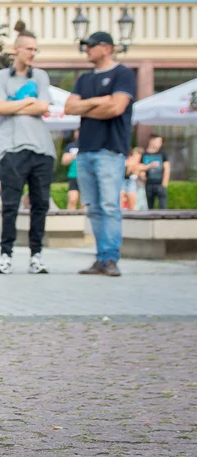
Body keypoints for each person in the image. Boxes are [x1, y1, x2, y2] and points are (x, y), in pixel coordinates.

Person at [64, 31, 136, 277]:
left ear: (107, 48)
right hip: (85, 151)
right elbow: (69, 107)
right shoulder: (84, 78)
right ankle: (100, 258)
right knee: (93, 207)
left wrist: (89, 106)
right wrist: (100, 101)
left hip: (110, 150)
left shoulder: (123, 74)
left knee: (109, 205)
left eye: (90, 46)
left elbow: (117, 107)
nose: (86, 50)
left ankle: (111, 258)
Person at [0, 30, 54, 275]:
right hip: (12, 149)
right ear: (16, 49)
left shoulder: (41, 76)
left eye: (36, 50)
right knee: (11, 204)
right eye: (29, 49)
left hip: (42, 150)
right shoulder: (1, 76)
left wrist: (14, 105)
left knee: (40, 204)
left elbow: (44, 106)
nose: (33, 53)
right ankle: (6, 255)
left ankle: (37, 256)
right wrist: (29, 103)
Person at [142, 134, 170, 210]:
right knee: (149, 208)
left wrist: (164, 184)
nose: (160, 143)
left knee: (162, 207)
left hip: (160, 184)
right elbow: (139, 168)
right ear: (152, 141)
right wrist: (149, 166)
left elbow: (167, 169)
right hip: (148, 184)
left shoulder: (162, 154)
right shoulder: (144, 154)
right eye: (158, 141)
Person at [61, 131, 81, 210]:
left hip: (85, 176)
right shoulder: (71, 146)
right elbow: (64, 161)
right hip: (73, 175)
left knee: (84, 203)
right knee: (72, 200)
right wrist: (73, 155)